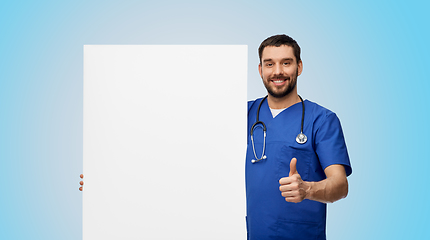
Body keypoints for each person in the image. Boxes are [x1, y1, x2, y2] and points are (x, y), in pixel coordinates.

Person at [246, 34, 352, 240]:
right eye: (269, 64)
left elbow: (340, 185)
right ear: (260, 70)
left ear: (299, 67)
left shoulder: (322, 120)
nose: (277, 71)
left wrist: (308, 189)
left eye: (286, 63)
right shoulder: (241, 114)